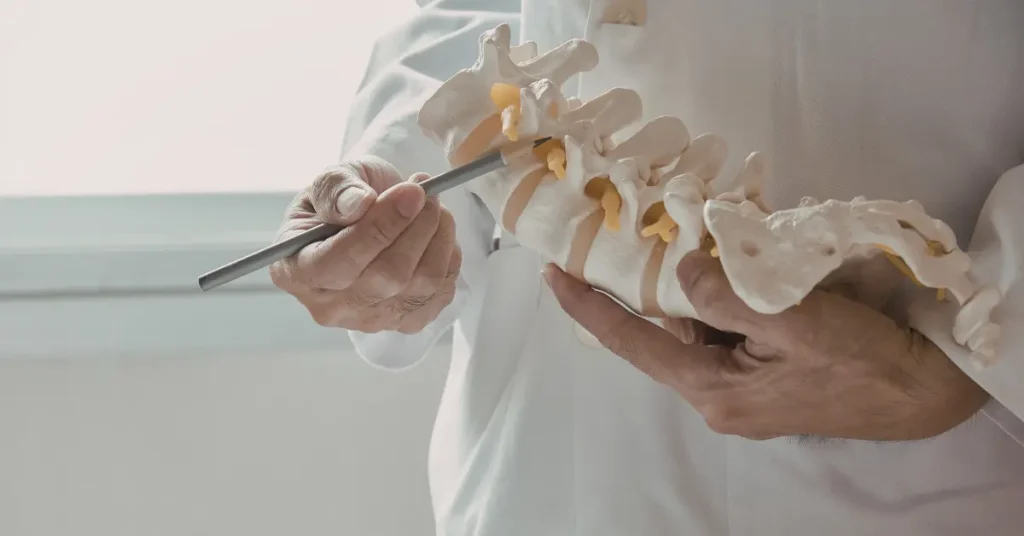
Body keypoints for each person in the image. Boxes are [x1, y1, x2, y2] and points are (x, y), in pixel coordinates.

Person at [271, 1, 1024, 534]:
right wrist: (402, 191)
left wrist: (975, 364)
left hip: (943, 468)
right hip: (565, 464)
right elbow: (482, 18)